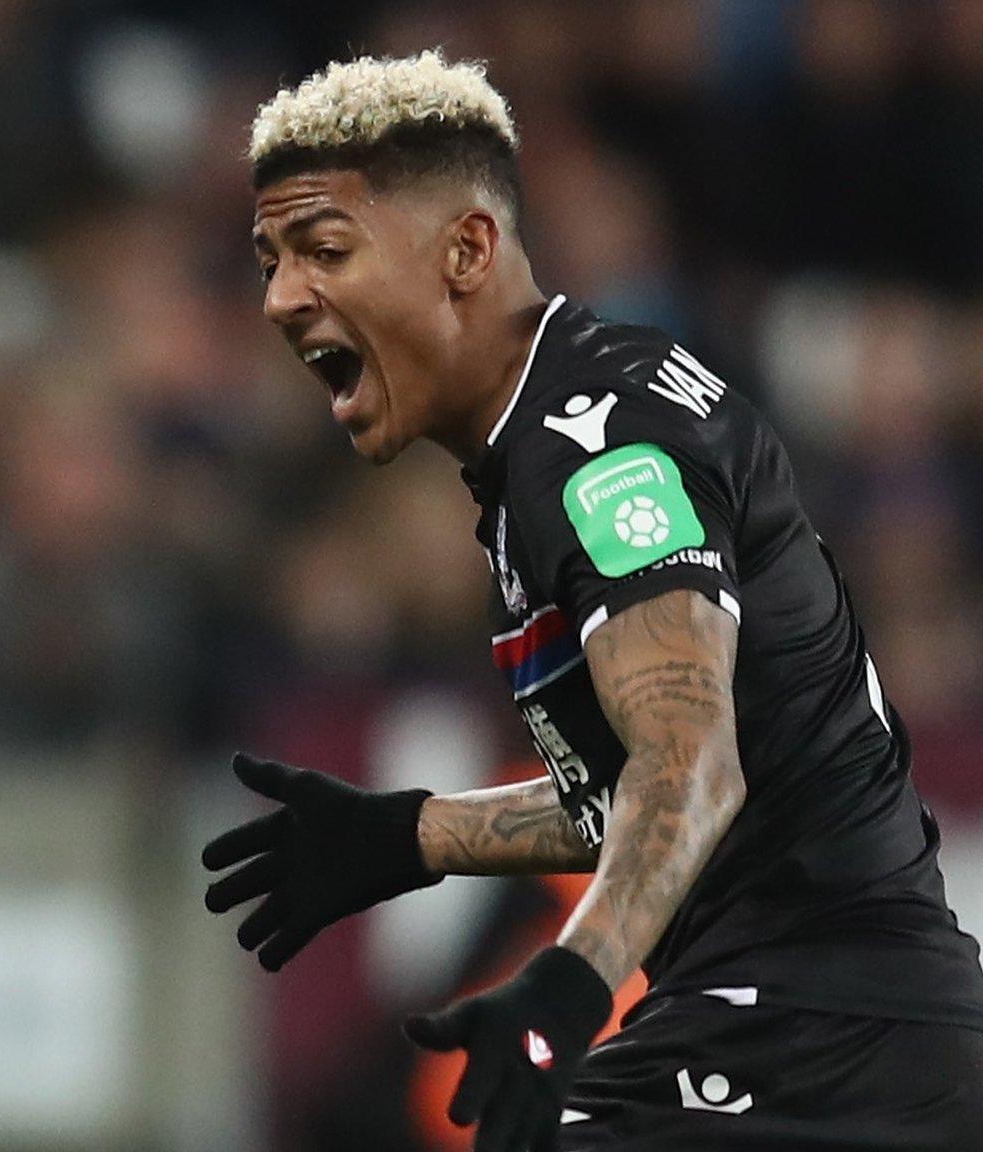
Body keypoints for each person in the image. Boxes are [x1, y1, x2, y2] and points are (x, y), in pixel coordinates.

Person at [202, 50, 983, 1151]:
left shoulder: (596, 442)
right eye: (269, 260)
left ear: (466, 250)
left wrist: (570, 981)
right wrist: (416, 836)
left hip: (814, 1045)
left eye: (324, 250)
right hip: (840, 1041)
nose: (282, 298)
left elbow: (693, 764)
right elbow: (682, 783)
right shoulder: (559, 426)